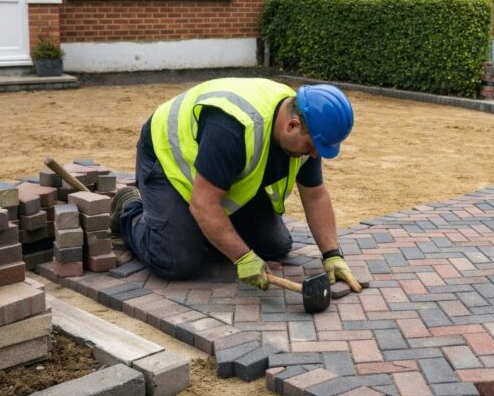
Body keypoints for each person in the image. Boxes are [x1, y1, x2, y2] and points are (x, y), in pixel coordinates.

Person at [110, 78, 362, 293]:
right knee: (177, 261)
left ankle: (201, 230)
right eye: (312, 147)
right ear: (292, 125)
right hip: (167, 158)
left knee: (276, 246)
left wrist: (332, 255)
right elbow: (204, 203)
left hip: (222, 176)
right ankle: (130, 207)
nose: (315, 155)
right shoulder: (234, 128)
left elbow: (315, 195)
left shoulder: (307, 128)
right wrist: (242, 257)